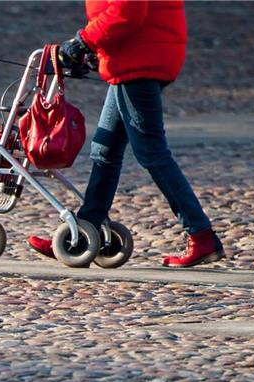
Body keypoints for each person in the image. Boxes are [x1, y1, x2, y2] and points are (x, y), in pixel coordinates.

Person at [27, 0, 225, 268]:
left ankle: (201, 235)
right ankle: (85, 231)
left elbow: (127, 12)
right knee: (105, 149)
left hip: (138, 61)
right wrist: (98, 47)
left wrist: (82, 42)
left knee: (152, 153)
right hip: (138, 55)